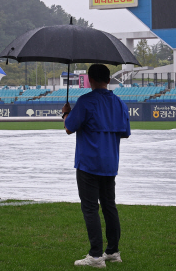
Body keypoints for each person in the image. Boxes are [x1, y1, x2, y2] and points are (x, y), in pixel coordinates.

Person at [62, 64, 131, 268]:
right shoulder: (119, 103)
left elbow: (69, 127)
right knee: (109, 206)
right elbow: (125, 132)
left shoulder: (85, 101)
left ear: (89, 80)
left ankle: (95, 255)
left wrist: (66, 114)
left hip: (89, 162)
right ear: (108, 80)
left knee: (90, 208)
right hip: (110, 162)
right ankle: (113, 251)